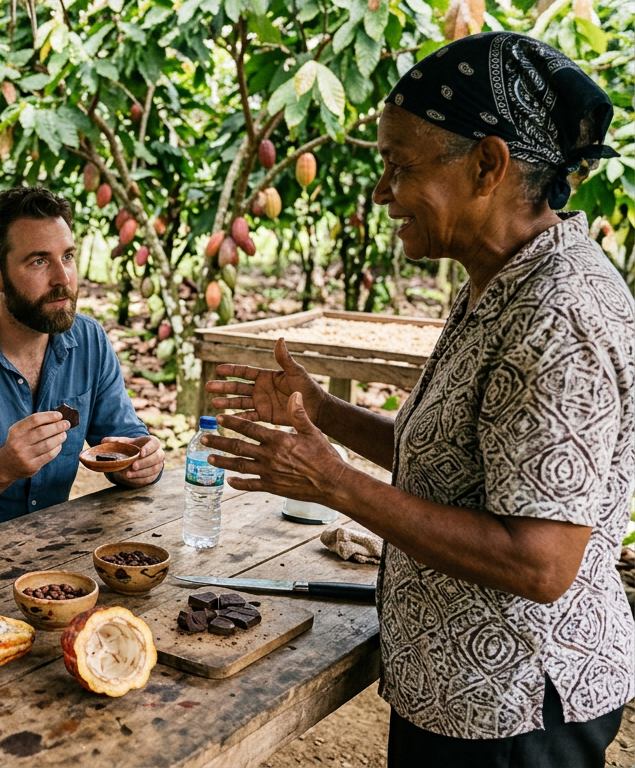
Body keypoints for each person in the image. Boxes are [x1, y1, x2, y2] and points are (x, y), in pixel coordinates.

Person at [203, 33, 633, 767]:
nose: (382, 192)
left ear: (488, 165)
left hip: (515, 709)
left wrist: (335, 483)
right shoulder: (503, 280)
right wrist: (323, 412)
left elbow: (539, 563)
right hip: (464, 693)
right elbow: (457, 462)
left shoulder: (557, 313)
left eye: (400, 166)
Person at [0, 186, 164, 530]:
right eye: (39, 261)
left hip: (53, 547)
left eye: (67, 256)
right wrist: (4, 467)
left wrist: (142, 462)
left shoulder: (89, 340)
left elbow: (123, 440)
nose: (63, 278)